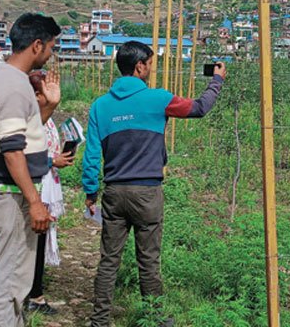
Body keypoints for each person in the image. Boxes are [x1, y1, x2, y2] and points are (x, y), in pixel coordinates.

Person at [82, 41, 227, 327]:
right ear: (139, 67)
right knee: (148, 261)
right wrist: (217, 81)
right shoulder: (159, 99)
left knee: (109, 260)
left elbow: (91, 155)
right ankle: (156, 318)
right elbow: (199, 108)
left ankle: (99, 321)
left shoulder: (100, 106)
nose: (150, 68)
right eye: (149, 63)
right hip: (147, 193)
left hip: (114, 193)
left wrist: (90, 191)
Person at [0, 13, 61, 327]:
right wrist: (35, 202)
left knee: (16, 279)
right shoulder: (13, 87)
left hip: (13, 194)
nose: (52, 53)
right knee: (8, 282)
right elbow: (13, 152)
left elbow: (21, 137)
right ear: (37, 45)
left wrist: (48, 106)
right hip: (12, 198)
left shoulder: (9, 79)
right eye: (51, 46)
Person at [25, 71, 75, 315]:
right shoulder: (30, 119)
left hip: (47, 182)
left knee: (41, 239)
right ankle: (33, 294)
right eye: (47, 88)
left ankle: (35, 291)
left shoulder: (45, 118)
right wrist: (51, 160)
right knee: (35, 239)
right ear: (36, 95)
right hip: (38, 186)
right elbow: (25, 153)